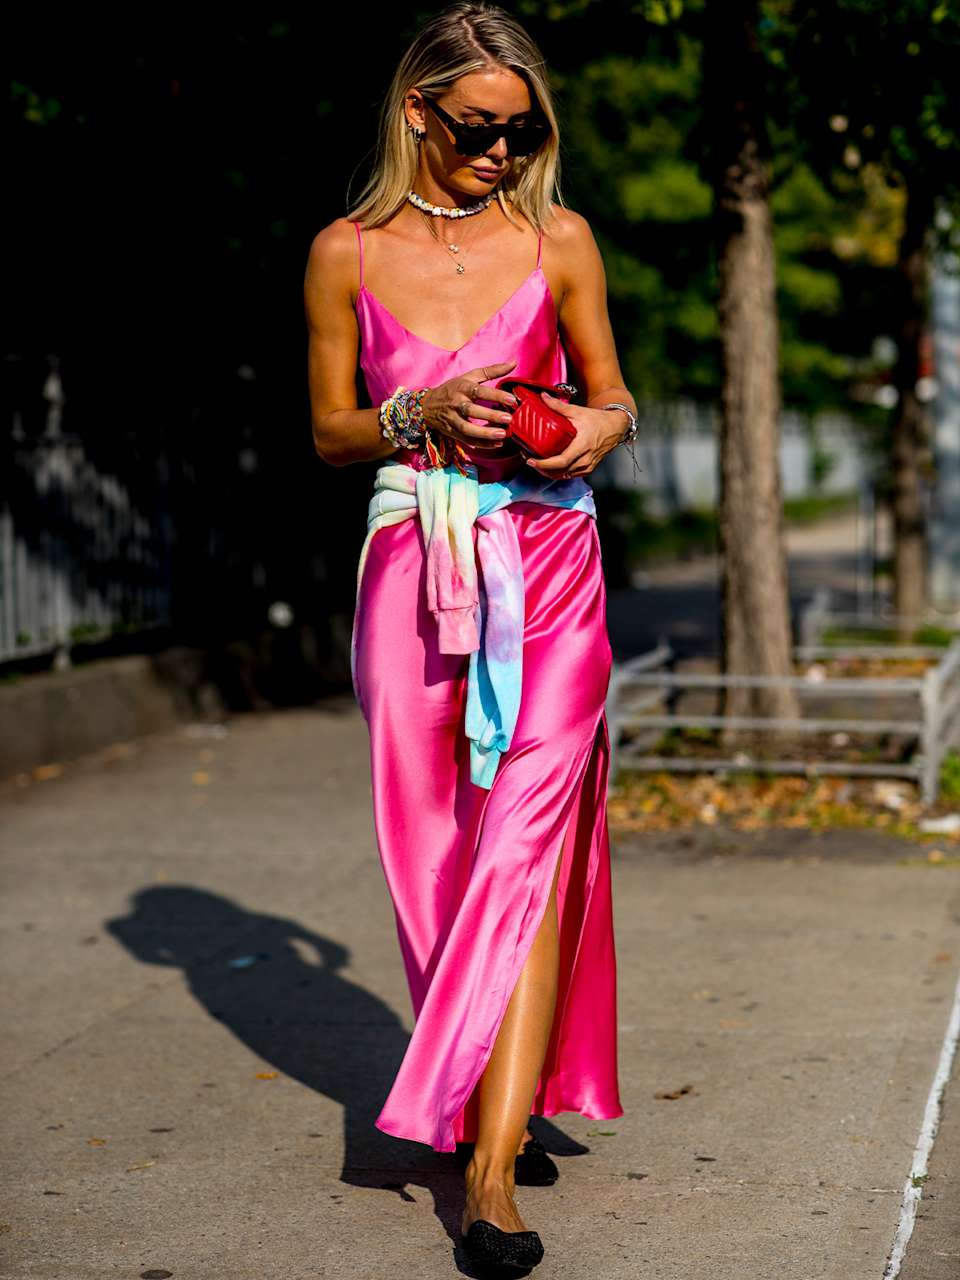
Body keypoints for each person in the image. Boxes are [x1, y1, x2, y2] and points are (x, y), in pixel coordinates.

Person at [303, 3, 638, 1270]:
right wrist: (415, 410)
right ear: (418, 113)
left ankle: (488, 1179)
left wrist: (582, 429)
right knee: (434, 853)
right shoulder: (343, 251)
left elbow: (613, 397)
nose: (505, 149)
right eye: (480, 126)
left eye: (525, 128)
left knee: (530, 849)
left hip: (547, 563)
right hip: (410, 565)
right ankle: (496, 1074)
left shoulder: (560, 239)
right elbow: (329, 431)